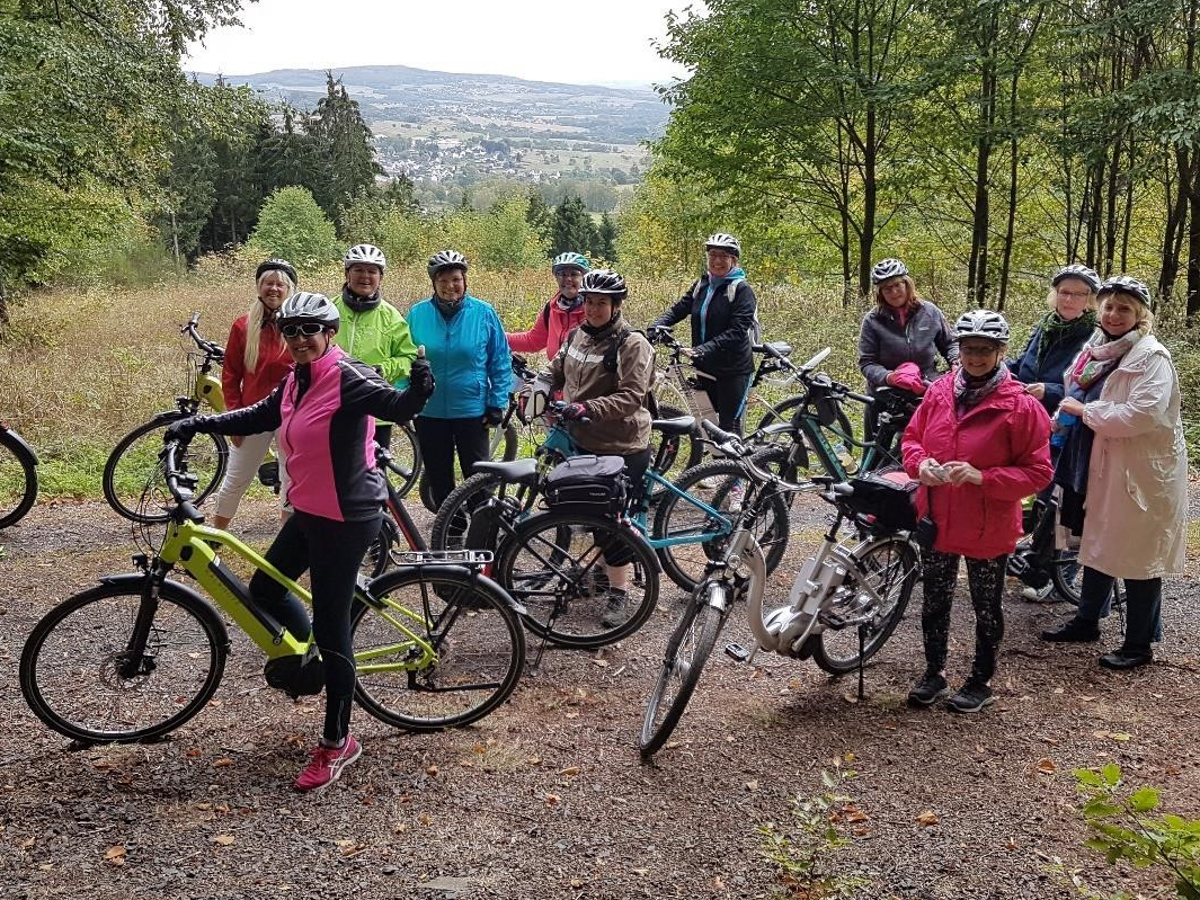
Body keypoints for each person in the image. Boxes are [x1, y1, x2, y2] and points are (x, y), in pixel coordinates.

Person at [165, 292, 435, 791]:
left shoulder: (348, 377)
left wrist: (419, 388)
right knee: (265, 589)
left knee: (334, 631)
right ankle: (312, 658)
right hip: (310, 509)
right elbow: (256, 415)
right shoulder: (295, 380)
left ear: (328, 332)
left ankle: (337, 743)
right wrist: (200, 422)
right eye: (291, 331)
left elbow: (396, 407)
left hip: (347, 517)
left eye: (310, 329)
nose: (300, 339)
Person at [902, 310, 1052, 713]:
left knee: (986, 607)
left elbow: (1038, 472)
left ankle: (981, 679)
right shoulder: (939, 391)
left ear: (1001, 352)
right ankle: (933, 673)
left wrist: (983, 477)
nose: (976, 357)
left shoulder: (1021, 407)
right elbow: (913, 438)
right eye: (969, 349)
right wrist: (921, 466)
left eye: (985, 350)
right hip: (938, 516)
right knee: (934, 600)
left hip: (988, 524)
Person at [1039, 276, 1188, 670]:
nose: (1114, 314)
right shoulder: (1095, 350)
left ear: (1140, 315)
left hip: (1137, 472)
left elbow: (1142, 415)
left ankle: (1139, 644)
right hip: (1094, 459)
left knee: (1138, 555)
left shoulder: (1151, 357)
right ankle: (1087, 620)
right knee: (1097, 541)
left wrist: (1084, 413)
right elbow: (1075, 393)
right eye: (1108, 306)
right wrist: (1062, 417)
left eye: (1124, 308)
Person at [548, 269, 654, 626]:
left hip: (621, 444)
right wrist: (536, 387)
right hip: (584, 440)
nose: (593, 309)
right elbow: (555, 370)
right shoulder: (578, 335)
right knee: (589, 513)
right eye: (589, 302)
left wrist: (587, 408)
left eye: (601, 303)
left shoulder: (632, 344)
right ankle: (604, 572)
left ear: (616, 305)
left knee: (612, 523)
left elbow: (630, 397)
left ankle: (620, 594)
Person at [407, 250, 512, 508]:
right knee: (439, 476)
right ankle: (451, 534)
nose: (449, 286)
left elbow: (500, 359)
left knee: (477, 477)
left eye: (455, 279)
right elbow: (405, 358)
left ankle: (481, 533)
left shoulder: (484, 313)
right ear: (434, 283)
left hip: (472, 410)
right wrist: (404, 399)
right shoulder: (417, 314)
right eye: (442, 280)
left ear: (465, 281)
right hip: (429, 411)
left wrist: (497, 402)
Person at [211, 258, 297, 530]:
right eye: (268, 283)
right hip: (253, 413)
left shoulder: (298, 325)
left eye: (280, 284)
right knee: (236, 478)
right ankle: (216, 535)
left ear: (290, 289)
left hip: (291, 415)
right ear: (259, 288)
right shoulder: (243, 326)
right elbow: (231, 375)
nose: (274, 289)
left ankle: (285, 544)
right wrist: (235, 417)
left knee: (291, 479)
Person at [650, 233, 758, 433]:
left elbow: (737, 331)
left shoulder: (742, 290)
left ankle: (738, 464)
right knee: (707, 424)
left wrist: (703, 349)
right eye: (713, 255)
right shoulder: (702, 285)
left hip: (732, 370)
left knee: (728, 429)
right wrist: (656, 327)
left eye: (723, 256)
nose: (716, 261)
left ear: (733, 260)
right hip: (704, 367)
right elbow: (679, 309)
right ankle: (716, 464)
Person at [858, 258, 958, 437]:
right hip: (884, 394)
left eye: (898, 285)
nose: (894, 292)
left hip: (924, 391)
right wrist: (890, 377)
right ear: (880, 292)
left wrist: (956, 361)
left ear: (907, 284)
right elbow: (867, 362)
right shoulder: (872, 320)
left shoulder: (930, 312)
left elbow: (950, 344)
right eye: (887, 288)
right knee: (875, 452)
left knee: (921, 446)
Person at [333, 243, 418, 447]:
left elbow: (408, 357)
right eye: (358, 270)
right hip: (332, 406)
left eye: (372, 271)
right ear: (347, 273)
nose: (365, 276)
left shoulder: (391, 316)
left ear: (381, 277)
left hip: (376, 409)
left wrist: (382, 370)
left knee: (375, 472)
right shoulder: (329, 310)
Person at [1008, 263, 1100, 416]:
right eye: (1064, 292)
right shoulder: (1046, 325)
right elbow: (1022, 363)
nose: (1068, 299)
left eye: (1078, 294)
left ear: (1090, 299)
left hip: (1059, 421)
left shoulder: (1095, 335)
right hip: (1024, 409)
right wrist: (995, 365)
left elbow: (1093, 390)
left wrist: (1049, 391)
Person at [507, 251, 589, 361]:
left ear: (584, 277)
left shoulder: (592, 310)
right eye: (562, 274)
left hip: (586, 376)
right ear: (556, 278)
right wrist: (498, 336)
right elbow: (533, 341)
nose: (568, 279)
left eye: (574, 274)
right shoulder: (552, 308)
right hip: (556, 375)